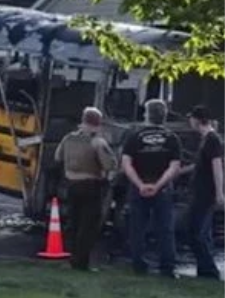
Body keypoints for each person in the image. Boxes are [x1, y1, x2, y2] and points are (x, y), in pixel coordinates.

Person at [121, 99, 182, 278]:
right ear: (164, 116)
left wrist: (140, 184)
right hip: (162, 189)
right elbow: (175, 166)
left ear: (146, 114)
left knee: (137, 227)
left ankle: (138, 264)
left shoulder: (134, 136)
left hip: (138, 188)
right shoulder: (172, 138)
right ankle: (167, 267)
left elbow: (126, 164)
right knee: (165, 228)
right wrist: (158, 185)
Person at [54, 107, 118, 271]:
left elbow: (58, 157)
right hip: (91, 186)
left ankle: (72, 258)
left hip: (71, 185)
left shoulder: (68, 138)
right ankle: (81, 262)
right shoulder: (97, 141)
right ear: (97, 123)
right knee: (88, 226)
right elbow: (109, 164)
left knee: (73, 223)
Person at [185, 105, 224, 280]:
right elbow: (201, 164)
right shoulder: (206, 139)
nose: (189, 121)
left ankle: (209, 269)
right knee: (203, 232)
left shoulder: (212, 139)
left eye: (191, 118)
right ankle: (204, 269)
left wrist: (219, 192)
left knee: (196, 231)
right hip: (201, 190)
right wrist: (181, 171)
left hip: (205, 193)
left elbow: (217, 166)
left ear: (197, 119)